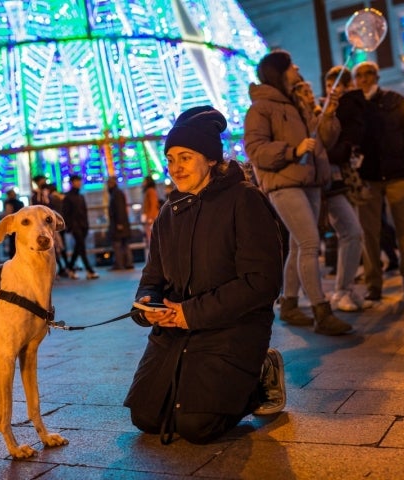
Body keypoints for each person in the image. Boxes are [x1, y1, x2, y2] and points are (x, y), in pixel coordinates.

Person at [125, 105, 285, 445]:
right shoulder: (169, 213)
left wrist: (190, 313)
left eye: (185, 157)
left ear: (211, 159)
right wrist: (148, 305)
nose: (176, 167)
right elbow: (152, 276)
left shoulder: (245, 200)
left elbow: (262, 282)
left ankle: (261, 373)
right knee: (146, 417)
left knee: (198, 427)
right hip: (177, 329)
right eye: (170, 159)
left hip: (232, 327)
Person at [244, 50, 352, 335]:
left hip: (311, 182)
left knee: (298, 244)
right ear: (279, 72)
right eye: (292, 66)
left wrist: (328, 114)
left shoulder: (296, 103)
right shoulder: (262, 107)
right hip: (284, 183)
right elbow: (255, 149)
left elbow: (323, 140)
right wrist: (292, 151)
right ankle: (321, 311)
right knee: (309, 242)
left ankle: (290, 304)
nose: (297, 68)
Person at [352, 61, 404, 299]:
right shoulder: (355, 106)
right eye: (359, 75)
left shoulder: (394, 101)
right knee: (369, 233)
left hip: (398, 173)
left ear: (377, 77)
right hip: (367, 177)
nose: (364, 79)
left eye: (368, 74)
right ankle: (373, 286)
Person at [320, 66, 370, 312]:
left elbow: (338, 141)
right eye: (329, 86)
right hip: (322, 180)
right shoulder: (322, 110)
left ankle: (343, 290)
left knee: (351, 232)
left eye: (336, 85)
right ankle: (295, 299)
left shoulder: (343, 108)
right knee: (305, 243)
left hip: (336, 179)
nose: (332, 91)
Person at [62, 174, 99, 279]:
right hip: (75, 227)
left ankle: (70, 268)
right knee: (81, 248)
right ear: (72, 183)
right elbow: (66, 213)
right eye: (76, 181)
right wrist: (70, 226)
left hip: (83, 226)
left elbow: (84, 212)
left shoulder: (81, 196)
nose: (79, 183)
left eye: (79, 181)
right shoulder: (68, 197)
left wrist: (87, 225)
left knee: (78, 248)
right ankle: (89, 270)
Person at [106, 177, 134, 270]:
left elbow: (119, 209)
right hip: (122, 223)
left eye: (109, 183)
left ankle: (120, 264)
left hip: (118, 224)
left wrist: (119, 223)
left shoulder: (116, 193)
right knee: (124, 244)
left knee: (118, 244)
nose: (107, 185)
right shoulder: (117, 192)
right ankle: (128, 263)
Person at [2, 188, 24, 258]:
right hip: (21, 226)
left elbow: (8, 215)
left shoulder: (8, 203)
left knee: (13, 244)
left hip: (13, 227)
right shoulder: (20, 203)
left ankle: (13, 259)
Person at [141, 175, 160, 257]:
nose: (143, 183)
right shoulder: (149, 191)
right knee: (150, 238)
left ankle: (155, 257)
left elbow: (153, 205)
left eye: (144, 181)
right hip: (149, 217)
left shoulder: (150, 191)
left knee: (152, 238)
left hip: (151, 218)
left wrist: (150, 218)